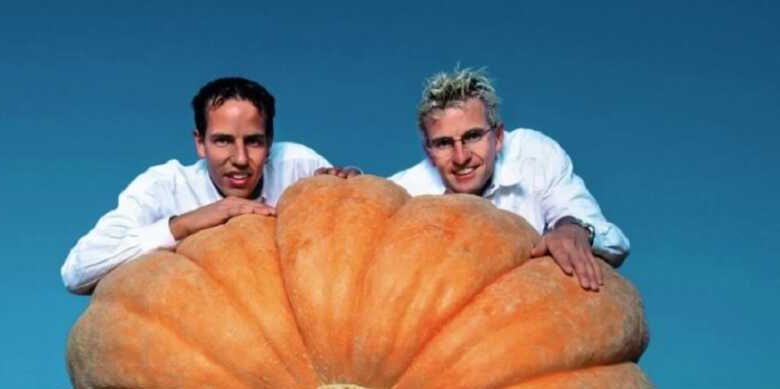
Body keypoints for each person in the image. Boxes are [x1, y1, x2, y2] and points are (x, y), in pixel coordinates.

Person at [61, 77, 343, 295]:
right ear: (200, 143)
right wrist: (184, 225)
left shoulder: (299, 166)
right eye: (223, 141)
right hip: (205, 344)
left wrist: (353, 189)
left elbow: (356, 252)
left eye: (253, 141)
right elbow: (77, 272)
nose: (241, 159)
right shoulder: (164, 186)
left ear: (269, 143)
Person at [390, 68, 629, 291]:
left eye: (473, 136)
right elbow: (364, 226)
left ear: (498, 137)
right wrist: (353, 187)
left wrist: (576, 228)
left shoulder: (534, 156)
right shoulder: (405, 193)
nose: (461, 157)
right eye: (444, 143)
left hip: (532, 314)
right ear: (429, 152)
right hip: (441, 321)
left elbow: (615, 244)